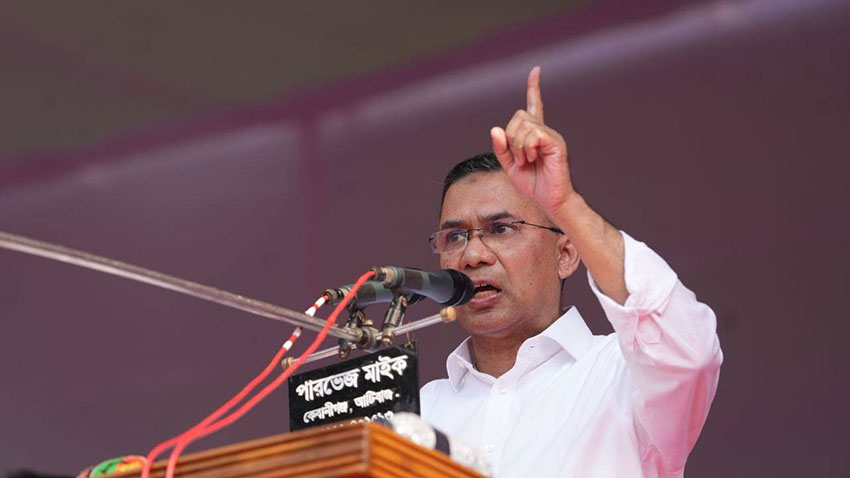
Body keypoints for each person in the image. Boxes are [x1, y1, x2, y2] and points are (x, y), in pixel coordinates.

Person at [419, 66, 723, 478]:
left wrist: (564, 204)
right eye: (455, 237)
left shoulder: (622, 376)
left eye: (501, 229)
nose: (472, 255)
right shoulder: (419, 415)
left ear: (566, 254)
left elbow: (692, 353)